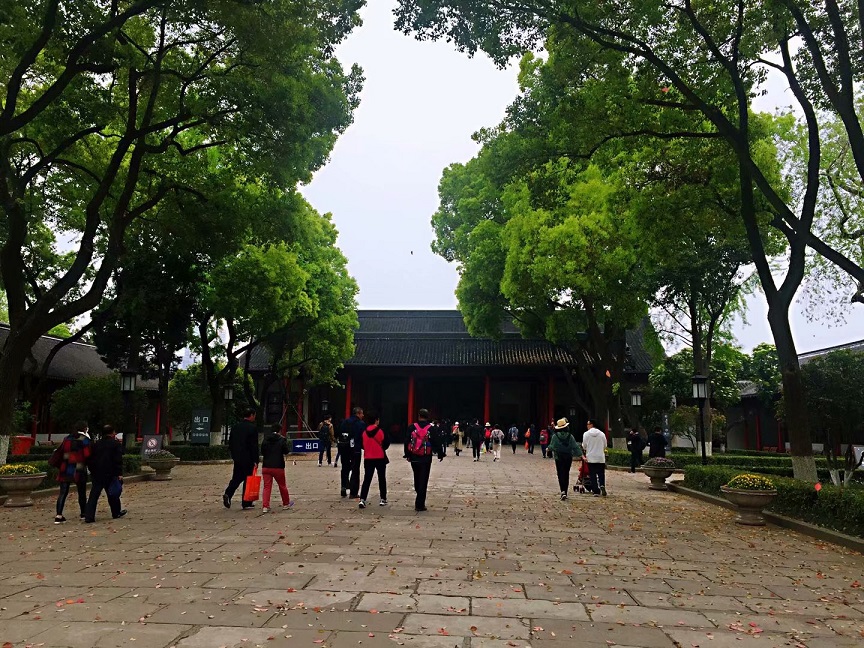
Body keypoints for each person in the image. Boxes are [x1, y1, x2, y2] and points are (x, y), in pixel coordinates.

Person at [404, 408, 445, 511]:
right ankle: (420, 504)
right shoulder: (431, 428)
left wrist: (407, 454)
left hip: (414, 457)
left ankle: (418, 492)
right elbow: (436, 441)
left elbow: (407, 441)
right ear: (427, 417)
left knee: (417, 477)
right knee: (424, 479)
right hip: (426, 457)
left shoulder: (412, 427)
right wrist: (440, 453)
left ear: (419, 416)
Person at [84, 425, 125, 522]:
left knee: (94, 494)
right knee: (112, 493)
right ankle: (116, 512)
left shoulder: (96, 444)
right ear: (112, 433)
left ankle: (89, 516)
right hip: (111, 472)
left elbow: (90, 459)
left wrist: (92, 470)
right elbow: (118, 460)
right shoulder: (115, 444)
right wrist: (119, 473)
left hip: (97, 472)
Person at [54, 420, 92, 524]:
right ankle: (83, 513)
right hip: (79, 467)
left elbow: (61, 452)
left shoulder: (67, 439)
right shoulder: (85, 440)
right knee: (81, 492)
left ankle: (58, 515)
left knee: (63, 492)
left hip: (65, 467)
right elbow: (88, 455)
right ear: (85, 428)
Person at [223, 408, 259, 509]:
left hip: (237, 458)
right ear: (251, 415)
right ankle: (246, 502)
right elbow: (253, 446)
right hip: (248, 458)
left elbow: (231, 443)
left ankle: (228, 493)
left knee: (236, 477)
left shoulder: (235, 427)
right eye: (254, 415)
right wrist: (255, 460)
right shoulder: (252, 428)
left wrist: (234, 455)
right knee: (248, 479)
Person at [359, 411, 389, 508]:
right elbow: (386, 443)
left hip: (368, 457)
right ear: (376, 420)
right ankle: (383, 498)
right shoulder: (381, 431)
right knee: (381, 478)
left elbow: (362, 445)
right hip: (380, 457)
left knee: (367, 479)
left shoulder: (364, 432)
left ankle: (362, 499)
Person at [547, 418, 583, 500]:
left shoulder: (555, 436)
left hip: (558, 457)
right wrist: (581, 455)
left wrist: (548, 448)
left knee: (560, 474)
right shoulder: (570, 436)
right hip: (568, 457)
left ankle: (562, 491)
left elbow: (552, 446)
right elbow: (575, 447)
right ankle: (565, 492)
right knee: (566, 473)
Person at [260, 423, 292, 513]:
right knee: (282, 485)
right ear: (280, 430)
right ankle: (286, 504)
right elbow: (286, 451)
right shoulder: (281, 440)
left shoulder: (266, 439)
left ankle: (265, 506)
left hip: (266, 466)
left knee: (267, 487)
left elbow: (262, 451)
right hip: (278, 466)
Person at [338, 406, 365, 498]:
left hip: (344, 447)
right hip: (355, 449)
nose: (363, 415)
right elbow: (363, 436)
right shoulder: (360, 424)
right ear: (358, 413)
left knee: (345, 467)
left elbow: (339, 433)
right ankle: (353, 492)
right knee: (355, 469)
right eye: (362, 413)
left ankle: (343, 486)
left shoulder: (344, 422)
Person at [582, 419, 608, 497]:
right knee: (601, 473)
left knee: (592, 474)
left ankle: (596, 491)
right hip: (600, 457)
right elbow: (605, 445)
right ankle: (602, 485)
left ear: (592, 425)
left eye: (588, 424)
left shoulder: (586, 434)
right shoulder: (602, 434)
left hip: (591, 457)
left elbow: (584, 446)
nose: (587, 426)